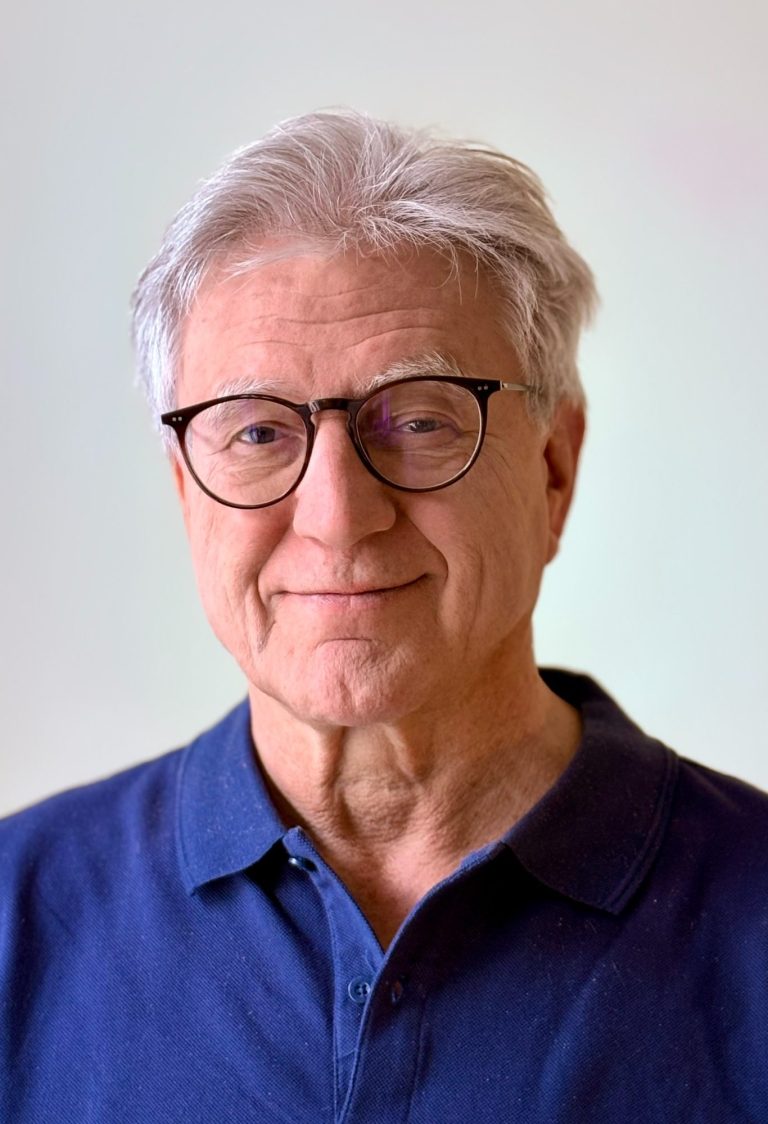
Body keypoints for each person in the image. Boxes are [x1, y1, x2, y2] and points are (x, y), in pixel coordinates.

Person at [1, 110, 767, 1124]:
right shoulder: (16, 918)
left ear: (554, 467)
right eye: (258, 432)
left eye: (418, 418)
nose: (337, 515)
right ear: (186, 492)